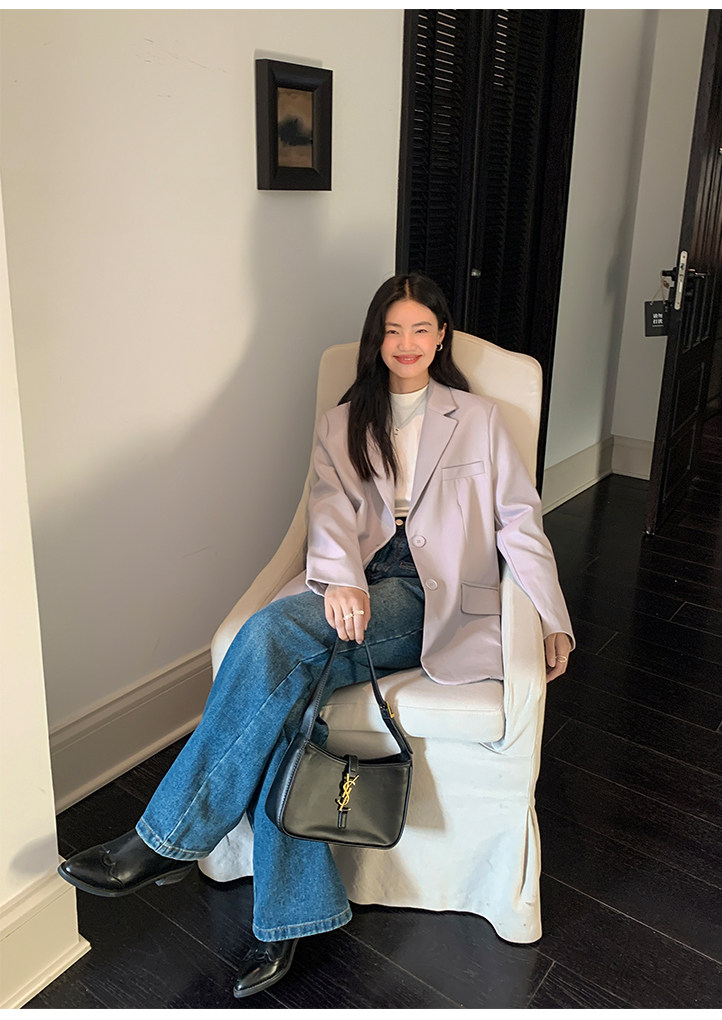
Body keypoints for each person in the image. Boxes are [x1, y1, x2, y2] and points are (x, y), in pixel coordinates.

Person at [58, 273, 573, 998]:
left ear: (441, 337)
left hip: (433, 596)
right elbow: (327, 514)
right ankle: (292, 919)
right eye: (392, 330)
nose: (406, 343)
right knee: (291, 704)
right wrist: (342, 583)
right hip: (359, 583)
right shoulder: (343, 423)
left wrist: (553, 617)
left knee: (270, 635)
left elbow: (519, 521)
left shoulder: (480, 419)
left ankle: (165, 838)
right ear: (376, 339)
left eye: (420, 329)